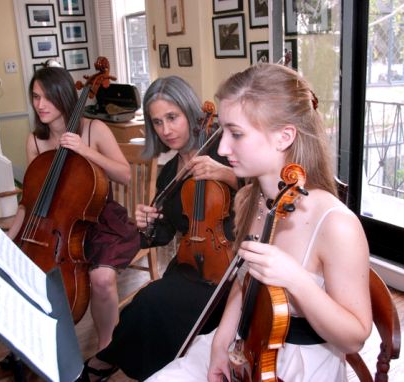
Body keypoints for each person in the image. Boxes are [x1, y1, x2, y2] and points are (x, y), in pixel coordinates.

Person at [147, 63, 372, 381]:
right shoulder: (250, 200)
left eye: (236, 133)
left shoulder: (337, 225)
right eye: (223, 131)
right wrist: (220, 345)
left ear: (284, 136)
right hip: (243, 343)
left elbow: (355, 337)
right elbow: (243, 282)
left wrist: (296, 279)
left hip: (300, 365)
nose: (222, 148)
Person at [83, 75, 240, 381]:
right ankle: (155, 372)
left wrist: (229, 176)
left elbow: (266, 192)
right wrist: (148, 223)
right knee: (144, 306)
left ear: (190, 112)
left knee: (152, 306)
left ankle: (107, 359)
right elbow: (166, 233)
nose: (166, 130)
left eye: (172, 118)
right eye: (157, 122)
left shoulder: (226, 152)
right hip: (189, 265)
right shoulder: (169, 173)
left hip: (231, 271)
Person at [1, 65, 139, 370]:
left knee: (101, 279)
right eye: (35, 97)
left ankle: (107, 350)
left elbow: (125, 175)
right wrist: (9, 236)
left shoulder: (93, 129)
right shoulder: (34, 141)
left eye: (47, 97)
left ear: (64, 95)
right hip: (55, 226)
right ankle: (37, 344)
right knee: (32, 277)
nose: (40, 105)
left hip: (99, 219)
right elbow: (31, 197)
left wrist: (85, 151)